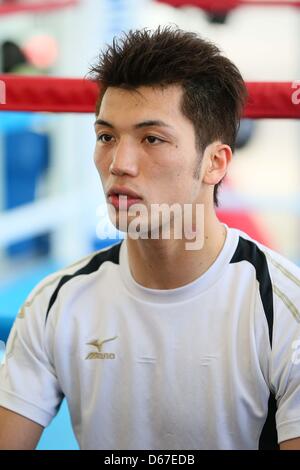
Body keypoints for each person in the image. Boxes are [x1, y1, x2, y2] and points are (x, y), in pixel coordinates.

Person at [0, 26, 300, 450]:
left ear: (215, 163)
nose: (119, 163)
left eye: (152, 139)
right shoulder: (56, 301)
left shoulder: (284, 310)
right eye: (106, 137)